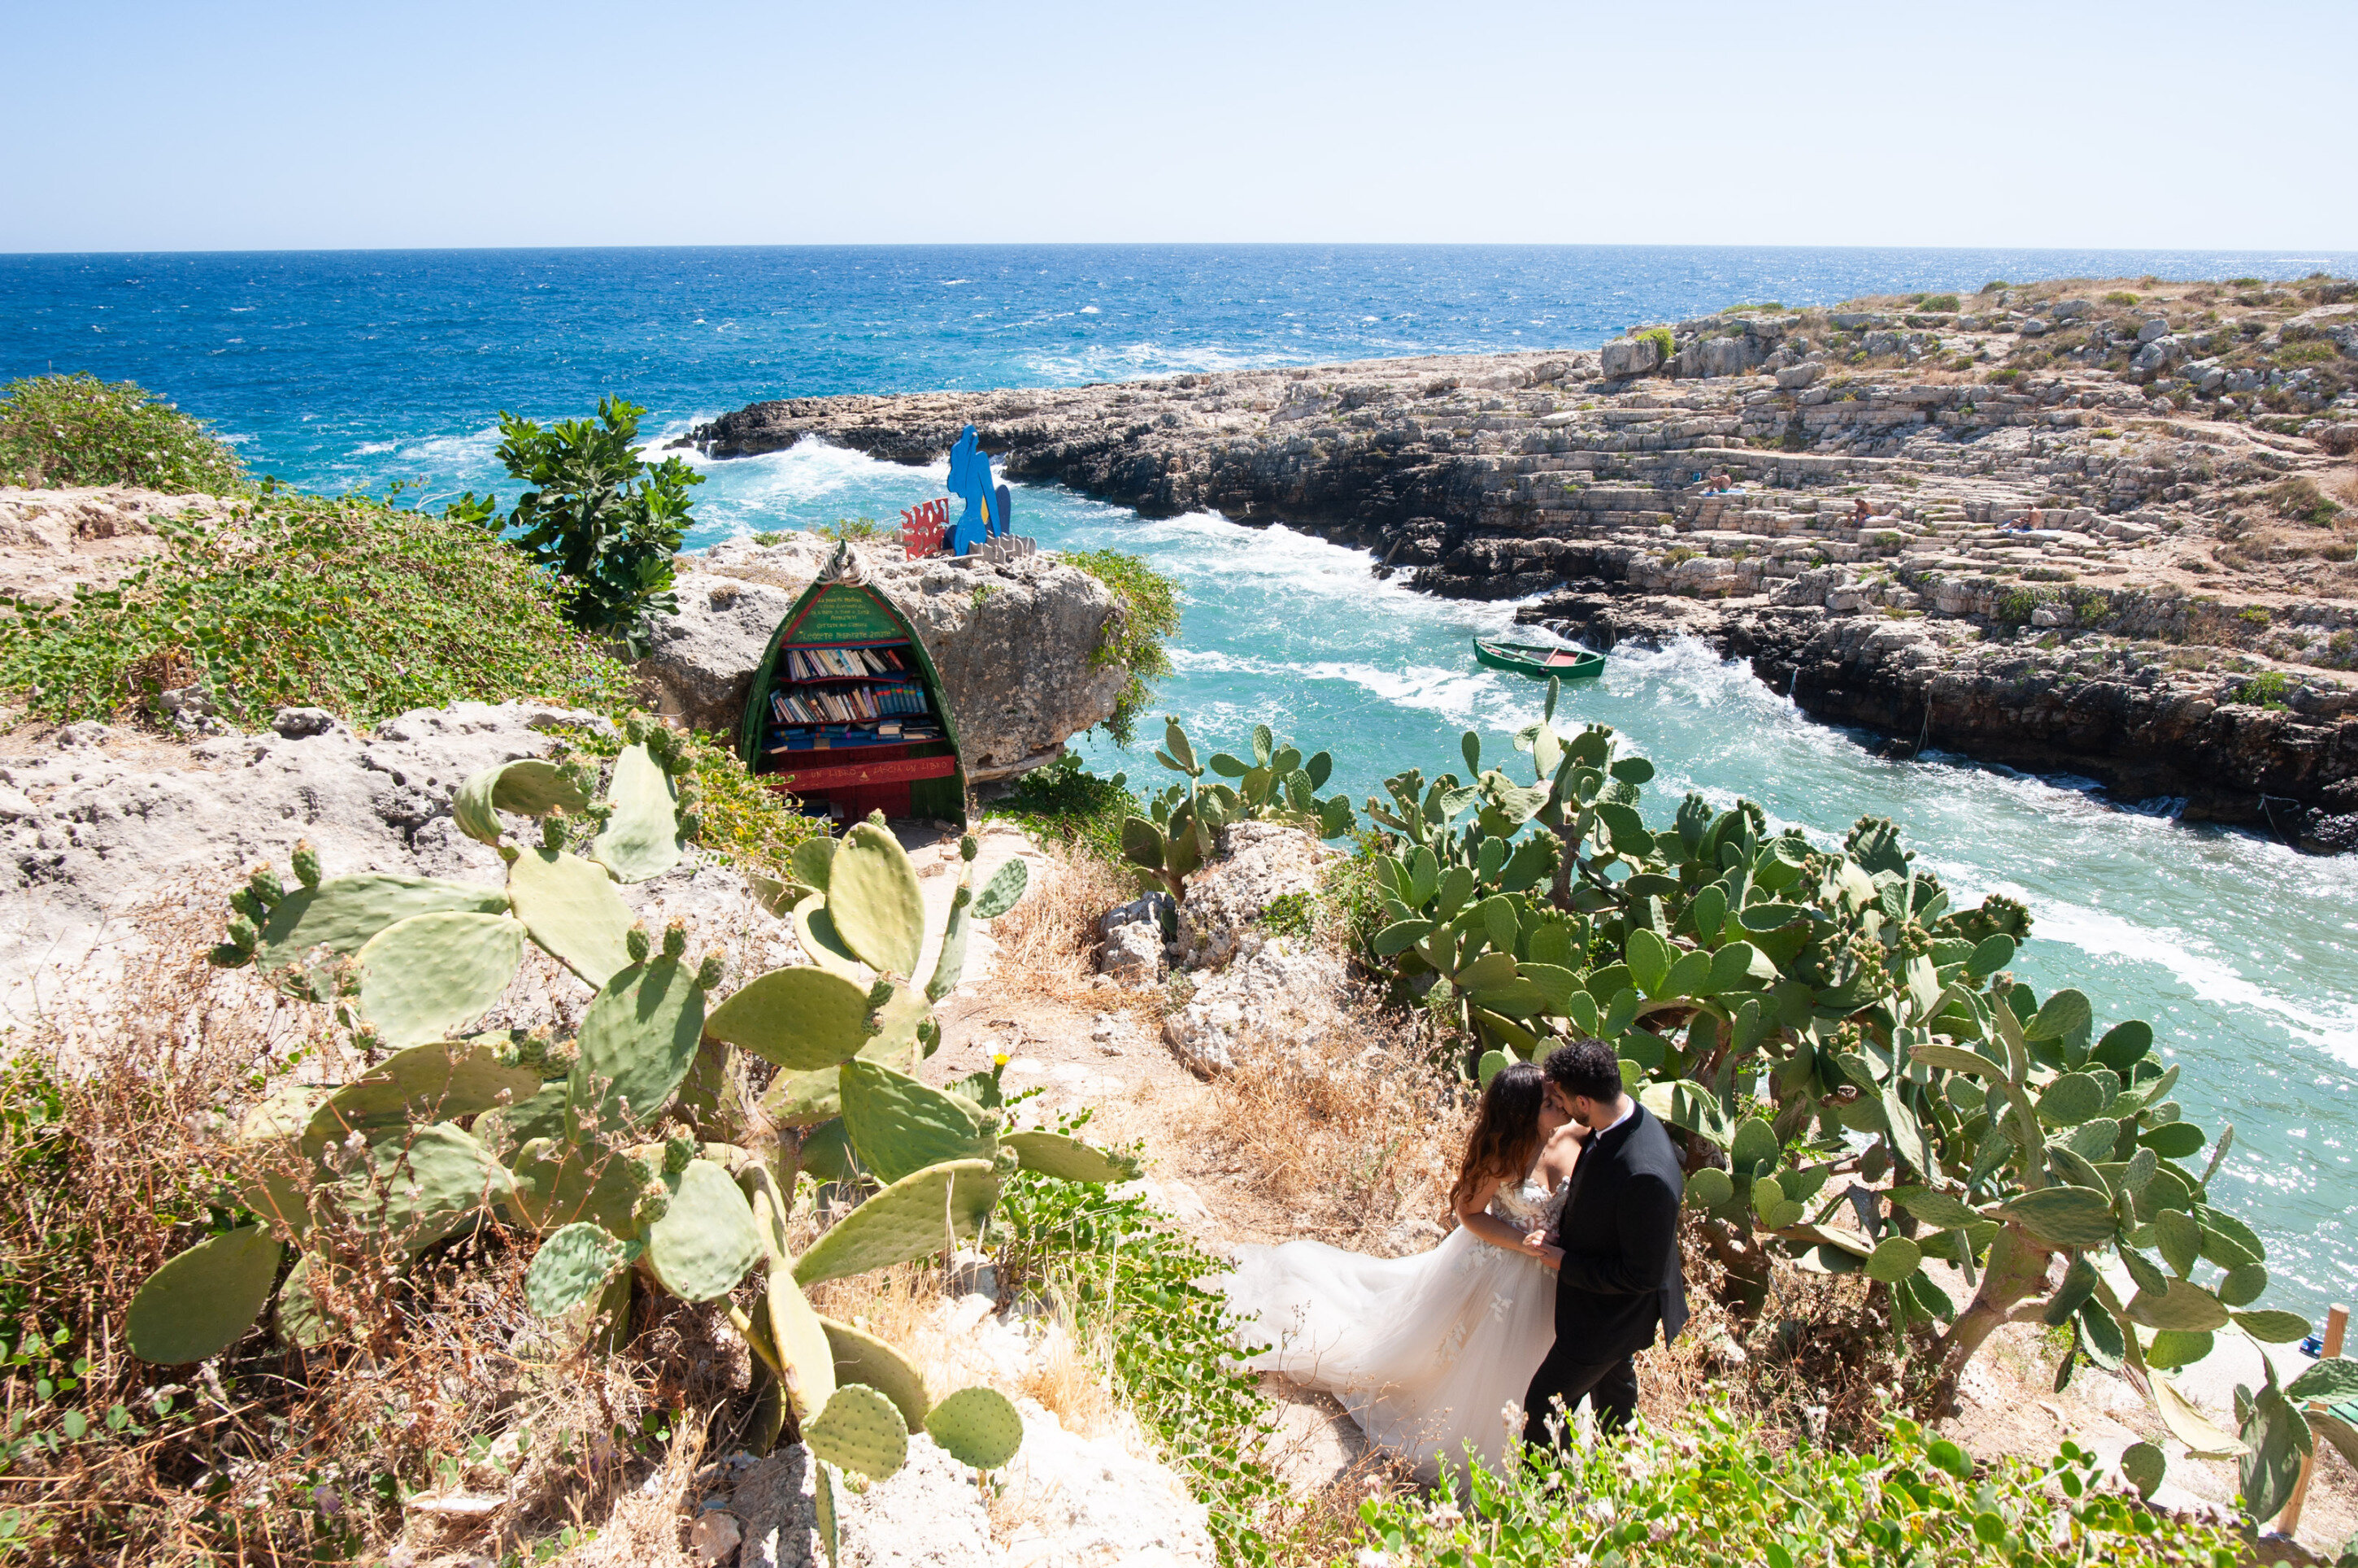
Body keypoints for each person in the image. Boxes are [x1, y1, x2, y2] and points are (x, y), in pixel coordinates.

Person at [1209, 1062, 1583, 1479]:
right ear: (1521, 1114)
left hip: (1552, 1276)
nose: (1561, 1107)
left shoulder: (1577, 1133)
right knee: (1475, 1358)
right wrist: (1519, 1243)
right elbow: (1469, 1213)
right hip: (1499, 1267)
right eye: (1549, 1103)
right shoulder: (1503, 1155)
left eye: (1559, 1097)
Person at [1520, 1039, 1688, 1448]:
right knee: (1615, 1392)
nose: (1558, 1107)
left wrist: (1563, 1260)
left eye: (1561, 1099)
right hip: (1608, 1317)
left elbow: (1640, 1275)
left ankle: (1543, 1503)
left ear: (1583, 1102)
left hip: (1607, 1320)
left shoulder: (1644, 1172)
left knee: (1543, 1405)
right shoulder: (1622, 1117)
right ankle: (1620, 1473)